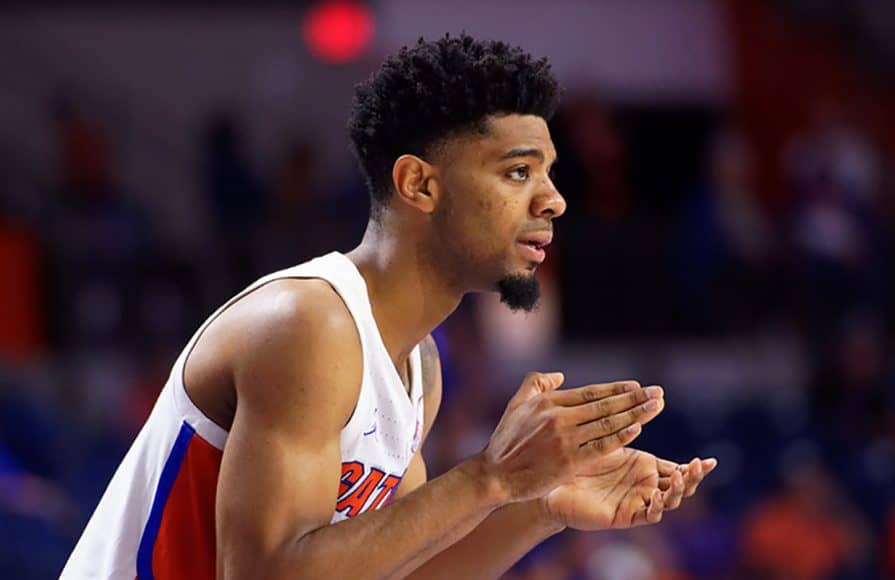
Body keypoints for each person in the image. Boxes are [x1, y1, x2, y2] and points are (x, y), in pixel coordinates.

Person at [61, 34, 716, 579]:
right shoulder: (307, 326)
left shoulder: (418, 365)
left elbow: (399, 568)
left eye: (547, 174)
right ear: (418, 183)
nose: (552, 200)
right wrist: (489, 477)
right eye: (518, 172)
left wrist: (538, 506)